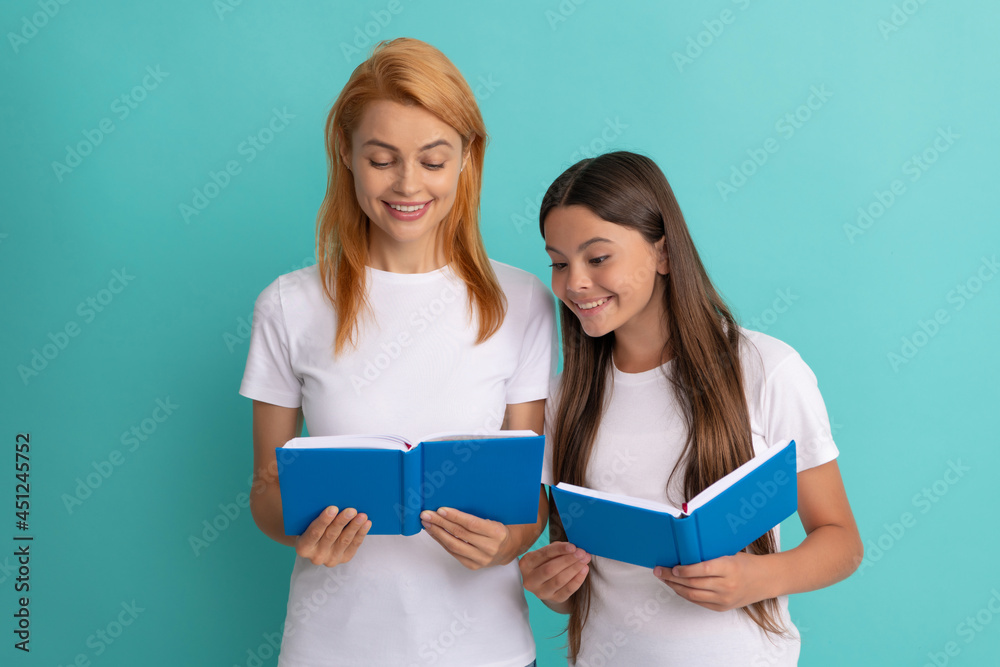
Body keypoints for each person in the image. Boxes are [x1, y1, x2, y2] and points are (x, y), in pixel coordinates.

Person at [239, 38, 553, 667]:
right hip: (332, 647)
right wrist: (300, 528)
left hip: (485, 650)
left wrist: (506, 543)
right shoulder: (288, 305)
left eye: (433, 161)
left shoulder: (522, 301)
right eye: (382, 160)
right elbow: (266, 489)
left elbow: (532, 496)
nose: (408, 184)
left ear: (467, 160)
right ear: (347, 159)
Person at [518, 151, 863, 666]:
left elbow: (841, 543)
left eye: (597, 258)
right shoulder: (563, 399)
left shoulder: (767, 368)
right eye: (559, 263)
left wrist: (756, 579)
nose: (575, 284)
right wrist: (551, 586)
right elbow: (574, 593)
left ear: (662, 253)